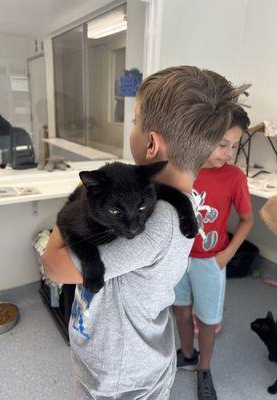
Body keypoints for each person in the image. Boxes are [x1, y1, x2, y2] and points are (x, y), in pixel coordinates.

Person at [42, 66, 248, 400]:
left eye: (136, 121)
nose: (133, 129)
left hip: (122, 380)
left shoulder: (158, 224)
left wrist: (80, 198)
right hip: (135, 357)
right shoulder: (172, 200)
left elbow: (53, 265)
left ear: (151, 143)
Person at [173, 105, 254, 400]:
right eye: (223, 144)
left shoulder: (234, 177)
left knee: (207, 320)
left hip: (211, 261)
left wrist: (228, 255)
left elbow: (247, 220)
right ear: (203, 136)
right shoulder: (182, 169)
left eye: (235, 146)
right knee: (180, 309)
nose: (229, 152)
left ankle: (204, 369)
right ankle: (186, 353)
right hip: (179, 259)